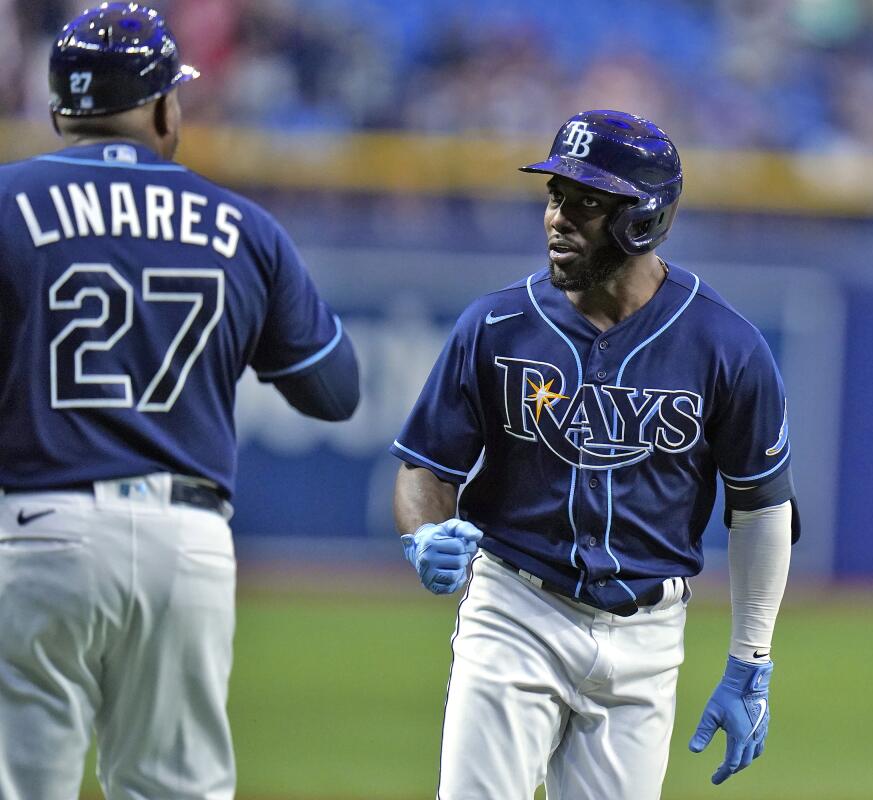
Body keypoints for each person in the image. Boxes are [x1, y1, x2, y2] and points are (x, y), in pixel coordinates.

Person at [0, 5, 360, 798]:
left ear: (61, 110)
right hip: (185, 543)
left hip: (37, 531)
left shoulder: (6, 203)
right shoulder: (243, 225)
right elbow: (336, 391)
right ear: (166, 106)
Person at [391, 109, 798, 799]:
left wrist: (750, 661)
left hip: (647, 636)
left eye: (586, 202)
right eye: (555, 196)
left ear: (642, 217)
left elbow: (760, 505)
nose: (558, 217)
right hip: (515, 610)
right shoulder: (496, 325)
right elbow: (425, 467)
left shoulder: (724, 345)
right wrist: (425, 532)